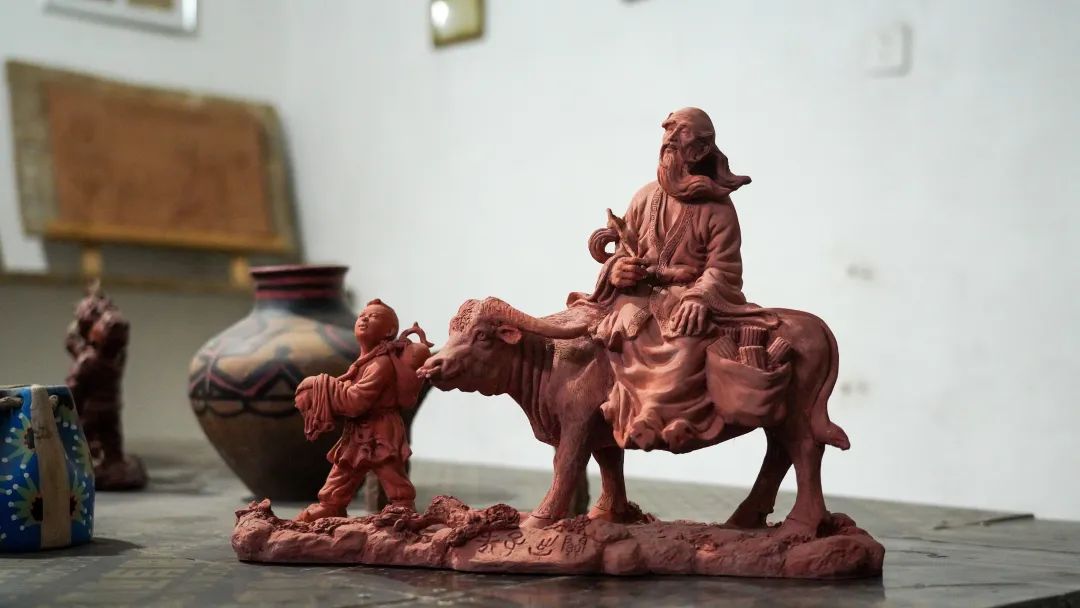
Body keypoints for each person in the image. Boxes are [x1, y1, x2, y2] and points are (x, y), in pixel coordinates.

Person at [570, 107, 773, 452]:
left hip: (687, 299)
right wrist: (619, 269)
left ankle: (655, 416)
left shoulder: (719, 210)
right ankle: (612, 406)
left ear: (701, 151)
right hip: (638, 297)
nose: (670, 145)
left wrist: (699, 297)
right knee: (613, 332)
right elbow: (626, 249)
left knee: (687, 342)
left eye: (680, 139)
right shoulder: (645, 197)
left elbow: (723, 268)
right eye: (667, 138)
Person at [295, 299, 429, 522]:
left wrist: (323, 386)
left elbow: (356, 401)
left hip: (381, 430)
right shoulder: (365, 361)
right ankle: (331, 505)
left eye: (373, 316)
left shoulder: (381, 364)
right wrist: (329, 388)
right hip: (358, 430)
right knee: (343, 470)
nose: (364, 319)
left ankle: (403, 508)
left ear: (389, 331)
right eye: (362, 315)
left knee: (391, 473)